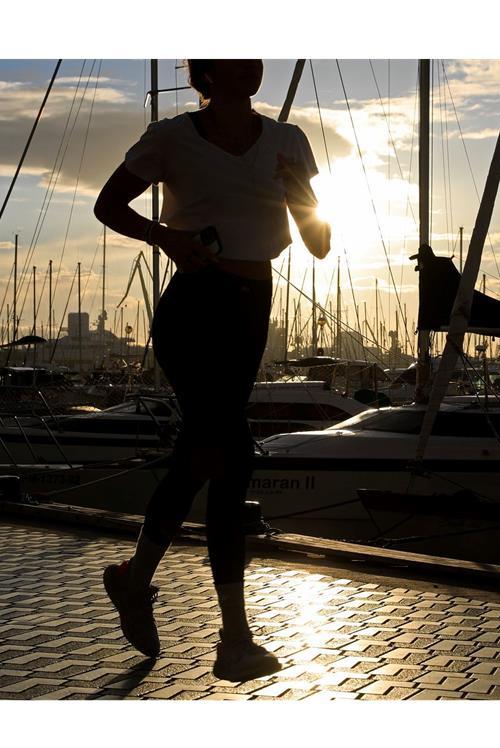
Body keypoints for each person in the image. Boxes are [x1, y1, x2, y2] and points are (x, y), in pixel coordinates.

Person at [93, 59, 330, 681]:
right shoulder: (171, 136)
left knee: (204, 456)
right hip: (194, 307)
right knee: (231, 456)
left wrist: (298, 192)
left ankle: (135, 578)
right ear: (205, 76)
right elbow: (108, 204)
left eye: (250, 61)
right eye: (229, 62)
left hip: (251, 309)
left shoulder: (288, 139)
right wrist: (165, 237)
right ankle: (234, 637)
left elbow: (320, 243)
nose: (246, 70)